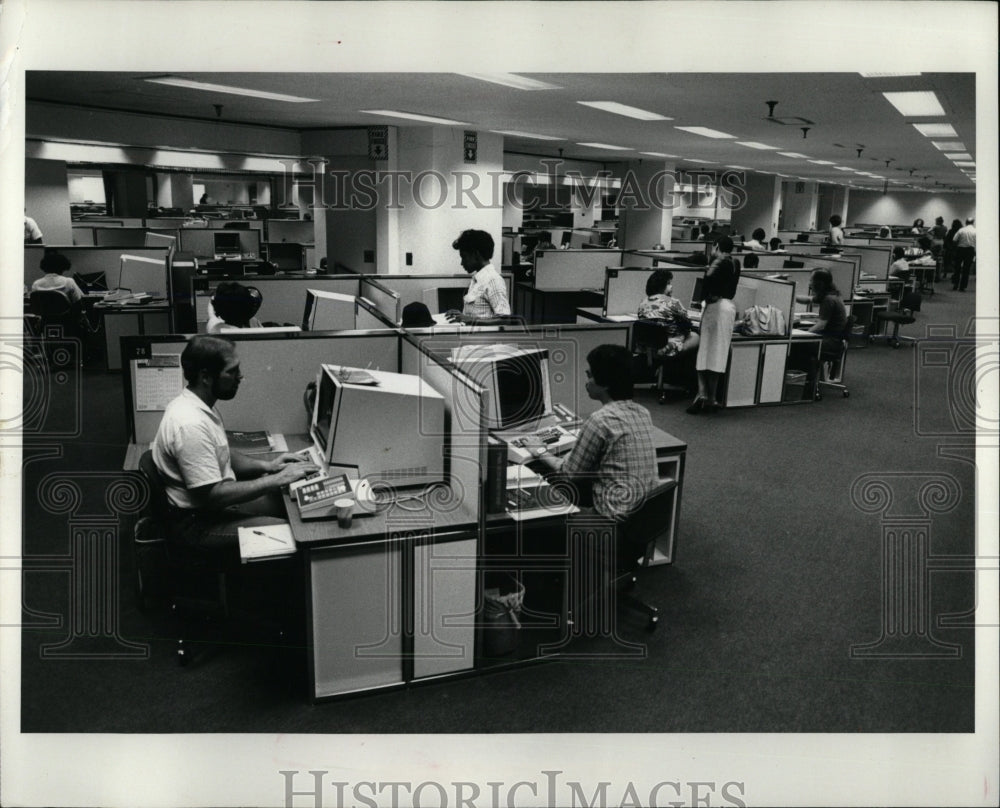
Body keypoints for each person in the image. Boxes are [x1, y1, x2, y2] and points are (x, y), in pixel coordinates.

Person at [151, 335, 318, 565]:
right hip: (198, 524)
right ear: (206, 377)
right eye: (232, 371)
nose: (240, 377)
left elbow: (223, 452)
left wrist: (268, 466)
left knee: (292, 505)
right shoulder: (189, 424)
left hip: (211, 509)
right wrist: (277, 479)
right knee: (294, 536)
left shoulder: (199, 405)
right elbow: (213, 496)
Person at [532, 344, 657, 522]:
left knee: (542, 499)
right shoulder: (643, 413)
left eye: (590, 375)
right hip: (642, 518)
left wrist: (539, 451)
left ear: (605, 383)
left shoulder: (600, 420)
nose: (587, 381)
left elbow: (569, 474)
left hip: (610, 522)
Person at [689, 236, 740, 414]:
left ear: (716, 245)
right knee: (719, 353)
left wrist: (706, 298)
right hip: (728, 309)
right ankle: (712, 398)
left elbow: (707, 283)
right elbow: (732, 289)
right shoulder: (736, 263)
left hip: (714, 308)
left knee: (704, 352)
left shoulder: (717, 261)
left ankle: (702, 393)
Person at [446, 229, 511, 324]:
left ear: (476, 254)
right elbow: (480, 313)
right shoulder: (477, 279)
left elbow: (505, 320)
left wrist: (471, 320)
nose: (462, 263)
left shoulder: (493, 280)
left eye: (464, 257)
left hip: (484, 338)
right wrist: (462, 316)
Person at [636, 269, 699, 357]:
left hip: (648, 348)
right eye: (669, 283)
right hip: (667, 345)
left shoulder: (643, 302)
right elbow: (687, 323)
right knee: (695, 336)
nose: (671, 286)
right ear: (661, 286)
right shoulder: (672, 302)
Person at [806, 268, 849, 359]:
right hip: (834, 339)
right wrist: (792, 295)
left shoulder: (828, 300)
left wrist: (804, 334)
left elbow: (821, 325)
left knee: (796, 345)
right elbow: (809, 299)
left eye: (811, 280)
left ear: (819, 283)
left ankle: (808, 372)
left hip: (830, 342)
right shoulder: (832, 294)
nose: (809, 284)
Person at [952, 217, 976, 292]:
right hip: (970, 250)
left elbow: (954, 240)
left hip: (960, 249)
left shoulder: (961, 230)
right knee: (966, 269)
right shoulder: (976, 231)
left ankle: (955, 284)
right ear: (973, 222)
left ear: (966, 222)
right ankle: (962, 287)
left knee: (957, 267)